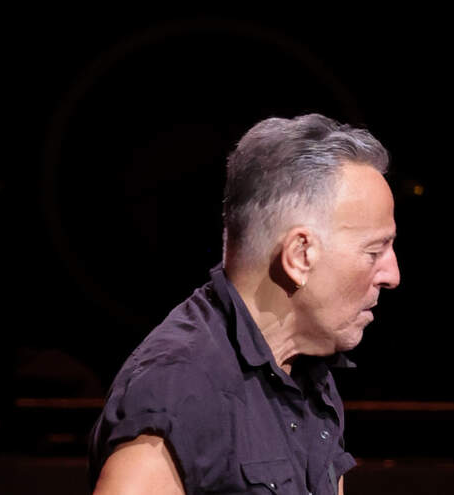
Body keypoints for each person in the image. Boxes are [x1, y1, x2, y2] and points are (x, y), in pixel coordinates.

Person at [88, 114, 401, 495]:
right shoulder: (179, 392)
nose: (392, 274)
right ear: (300, 255)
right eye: (374, 251)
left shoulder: (310, 374)